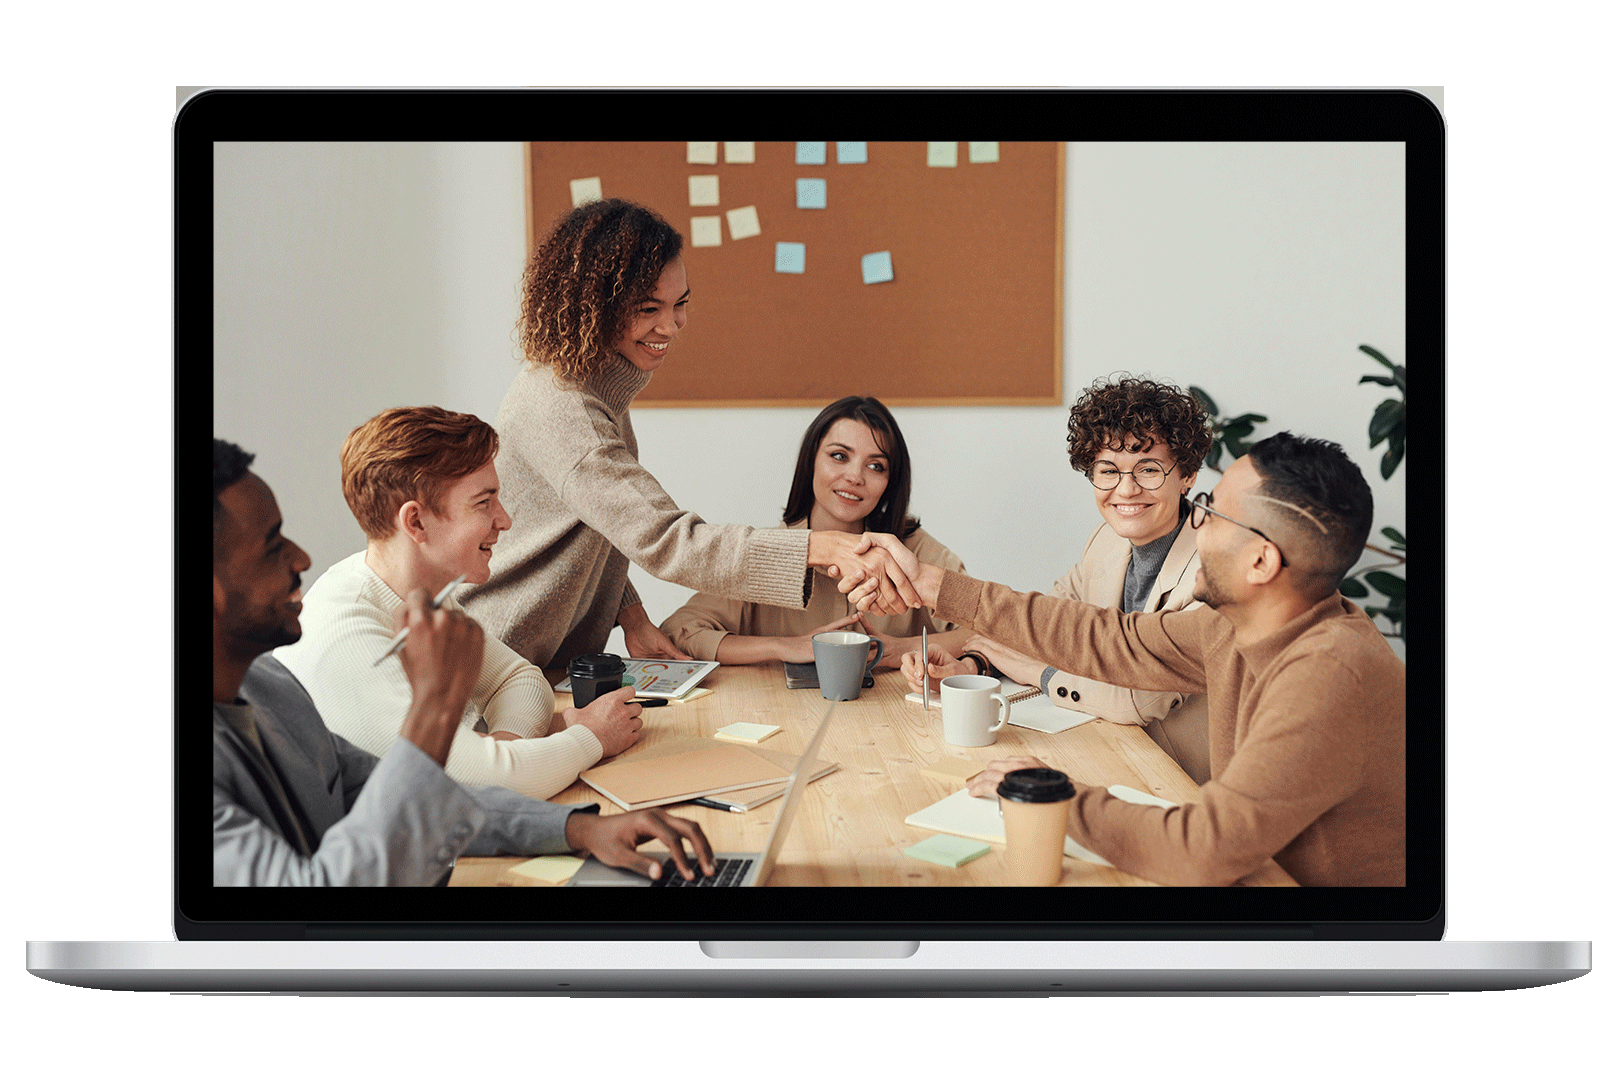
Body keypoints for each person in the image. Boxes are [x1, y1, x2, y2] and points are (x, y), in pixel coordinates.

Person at [855, 432, 1404, 887]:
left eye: (1211, 513)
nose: (1197, 523)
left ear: (1261, 561)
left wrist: (1055, 797)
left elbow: (1203, 850)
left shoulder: (1329, 674)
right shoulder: (1238, 626)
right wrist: (933, 585)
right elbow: (1109, 639)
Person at [212, 438, 714, 886]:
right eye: (273, 545)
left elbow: (432, 795)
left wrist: (578, 828)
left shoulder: (269, 685)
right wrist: (437, 704)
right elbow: (316, 908)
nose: (302, 558)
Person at [459, 199, 920, 671]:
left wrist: (631, 616)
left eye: (680, 304)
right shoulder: (567, 409)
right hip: (497, 659)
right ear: (596, 307)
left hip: (541, 662)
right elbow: (667, 539)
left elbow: (600, 524)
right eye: (648, 308)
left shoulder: (593, 388)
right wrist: (817, 547)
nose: (671, 325)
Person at [274, 407, 644, 801]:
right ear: (415, 522)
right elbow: (484, 788)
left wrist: (505, 753)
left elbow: (519, 679)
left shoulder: (417, 592)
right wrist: (590, 738)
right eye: (484, 503)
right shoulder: (348, 637)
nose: (504, 520)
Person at [902, 375, 1215, 782]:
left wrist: (1040, 674)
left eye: (1149, 469)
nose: (1126, 489)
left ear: (1187, 474)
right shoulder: (1105, 541)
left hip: (1184, 781)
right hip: (1111, 753)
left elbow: (1137, 700)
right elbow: (1043, 626)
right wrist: (973, 664)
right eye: (1108, 470)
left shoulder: (1212, 567)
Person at [660, 396, 970, 667]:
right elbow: (679, 632)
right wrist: (784, 646)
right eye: (839, 456)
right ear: (811, 462)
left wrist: (905, 648)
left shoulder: (917, 552)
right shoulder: (767, 553)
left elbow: (993, 633)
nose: (854, 477)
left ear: (891, 483)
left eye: (876, 466)